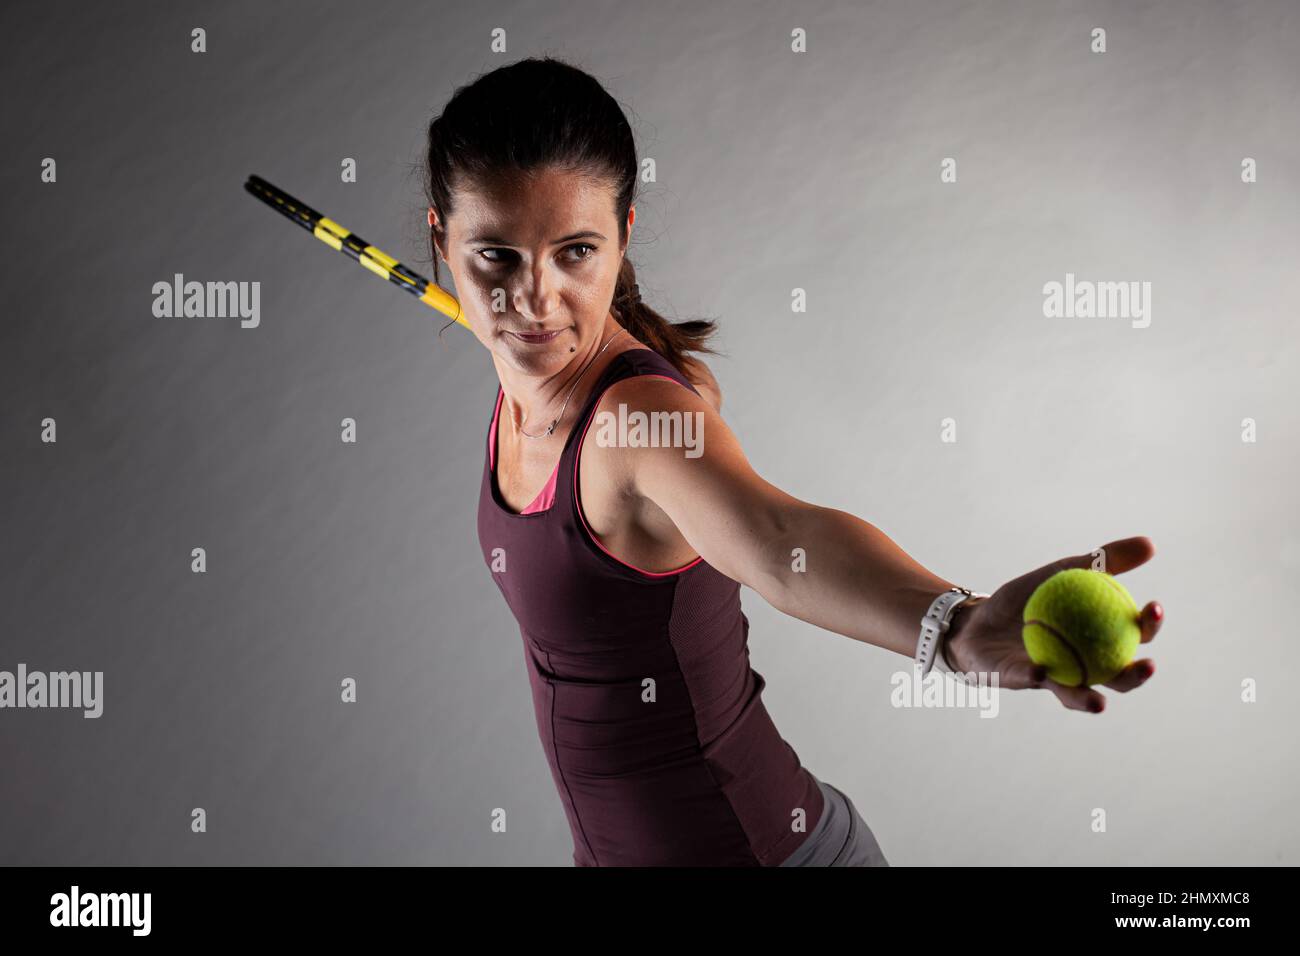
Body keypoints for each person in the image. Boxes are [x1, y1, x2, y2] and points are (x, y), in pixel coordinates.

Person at [422, 57, 1164, 867]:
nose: (535, 300)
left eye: (575, 253)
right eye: (496, 256)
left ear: (624, 236)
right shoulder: (537, 373)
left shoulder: (637, 420)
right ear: (441, 240)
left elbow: (779, 541)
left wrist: (951, 628)